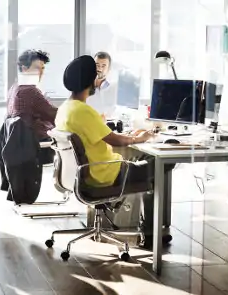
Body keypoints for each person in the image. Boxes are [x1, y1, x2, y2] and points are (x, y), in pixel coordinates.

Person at [54, 55, 171, 249]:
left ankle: (143, 226)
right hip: (107, 174)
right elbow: (114, 139)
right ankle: (150, 234)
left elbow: (100, 134)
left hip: (85, 174)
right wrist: (138, 138)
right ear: (89, 81)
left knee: (145, 160)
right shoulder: (83, 111)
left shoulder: (66, 108)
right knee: (162, 163)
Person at [7, 49, 56, 141]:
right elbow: (54, 115)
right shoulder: (29, 91)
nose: (41, 73)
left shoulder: (14, 88)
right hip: (38, 146)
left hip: (25, 145)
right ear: (25, 68)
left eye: (43, 68)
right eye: (37, 68)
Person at [87, 51, 116, 118]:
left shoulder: (114, 88)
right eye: (97, 65)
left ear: (109, 68)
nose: (99, 69)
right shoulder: (84, 88)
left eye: (103, 66)